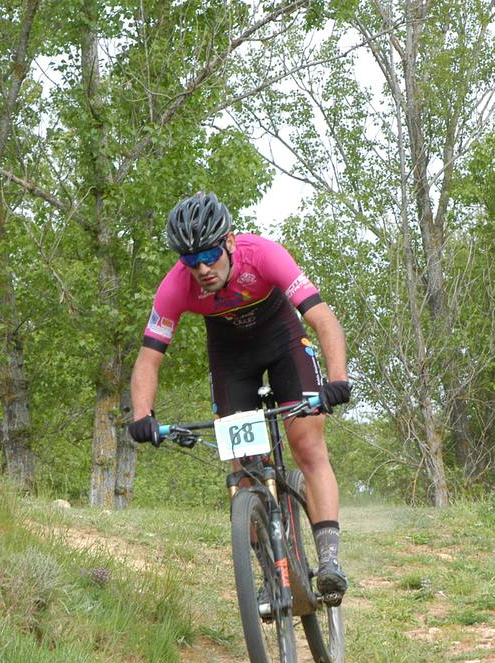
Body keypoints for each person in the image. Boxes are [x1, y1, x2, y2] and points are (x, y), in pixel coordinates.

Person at [127, 192, 351, 602]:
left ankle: (330, 561)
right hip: (231, 361)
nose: (202, 269)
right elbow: (149, 357)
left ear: (228, 241)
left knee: (307, 445)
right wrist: (143, 414)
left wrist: (336, 379)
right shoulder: (176, 286)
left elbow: (322, 318)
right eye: (191, 261)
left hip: (283, 343)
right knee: (244, 469)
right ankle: (269, 571)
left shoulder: (264, 255)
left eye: (210, 255)